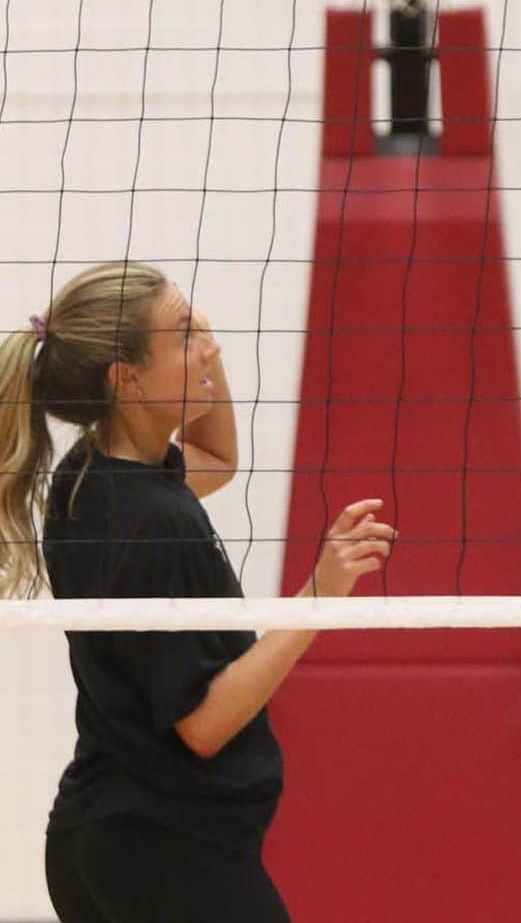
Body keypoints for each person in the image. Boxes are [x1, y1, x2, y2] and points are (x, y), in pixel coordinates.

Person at [0, 261, 396, 923]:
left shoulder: (94, 478)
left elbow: (217, 457)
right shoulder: (155, 522)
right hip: (169, 852)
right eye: (186, 335)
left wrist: (198, 339)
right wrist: (319, 595)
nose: (209, 345)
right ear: (125, 378)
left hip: (102, 840)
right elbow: (204, 725)